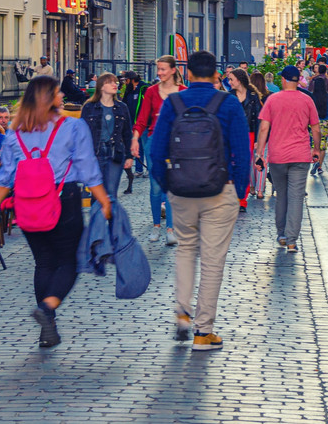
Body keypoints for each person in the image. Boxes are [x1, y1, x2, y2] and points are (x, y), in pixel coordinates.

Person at [0, 76, 110, 348]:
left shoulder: (15, 132)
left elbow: (5, 177)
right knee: (69, 261)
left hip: (27, 203)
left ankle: (48, 330)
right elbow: (87, 167)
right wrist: (103, 201)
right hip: (64, 200)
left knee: (44, 262)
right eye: (58, 93)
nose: (61, 97)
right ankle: (47, 308)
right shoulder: (72, 127)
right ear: (48, 98)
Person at [149, 51, 249, 350]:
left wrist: (167, 185)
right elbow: (242, 152)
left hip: (181, 191)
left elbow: (156, 152)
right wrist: (239, 189)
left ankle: (182, 310)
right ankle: (203, 331)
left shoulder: (173, 103)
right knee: (213, 261)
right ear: (216, 74)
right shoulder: (229, 103)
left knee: (185, 250)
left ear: (187, 74)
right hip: (220, 189)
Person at [255, 66, 321, 252]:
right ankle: (292, 241)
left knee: (281, 195)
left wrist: (260, 154)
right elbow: (315, 128)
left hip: (278, 156)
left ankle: (282, 233)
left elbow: (263, 128)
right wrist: (316, 149)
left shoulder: (272, 100)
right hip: (300, 155)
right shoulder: (307, 100)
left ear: (283, 80)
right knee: (296, 198)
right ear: (298, 80)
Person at [131, 55, 187, 245]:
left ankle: (170, 229)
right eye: (159, 69)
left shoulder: (184, 92)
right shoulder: (151, 92)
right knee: (155, 188)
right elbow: (142, 119)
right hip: (155, 142)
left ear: (173, 70)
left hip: (176, 143)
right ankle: (156, 226)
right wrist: (135, 138)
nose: (160, 73)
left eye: (163, 69)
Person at [81, 73, 134, 207]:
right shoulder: (89, 107)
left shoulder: (122, 107)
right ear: (101, 87)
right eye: (110, 82)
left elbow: (127, 133)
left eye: (115, 82)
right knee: (97, 194)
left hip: (115, 152)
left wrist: (129, 156)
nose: (114, 84)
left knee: (111, 194)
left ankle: (111, 226)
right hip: (96, 153)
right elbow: (83, 134)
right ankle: (97, 226)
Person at [230, 68, 261, 211]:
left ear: (239, 80)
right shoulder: (229, 96)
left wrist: (258, 139)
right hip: (232, 134)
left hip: (249, 133)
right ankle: (232, 197)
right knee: (232, 164)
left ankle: (242, 199)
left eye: (231, 79)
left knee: (245, 165)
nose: (229, 82)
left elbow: (258, 118)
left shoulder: (253, 96)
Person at [307, 64, 328, 176]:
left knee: (313, 144)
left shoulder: (311, 97)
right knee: (323, 144)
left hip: (314, 122)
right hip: (326, 121)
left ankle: (314, 161)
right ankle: (320, 166)